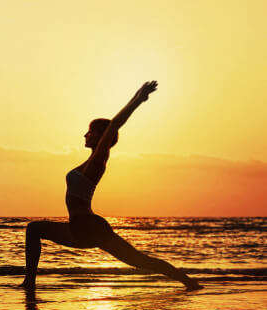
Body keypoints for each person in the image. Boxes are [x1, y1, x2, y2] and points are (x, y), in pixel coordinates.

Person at [21, 81, 202, 292]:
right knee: (34, 229)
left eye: (90, 132)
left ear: (101, 137)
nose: (85, 135)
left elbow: (114, 124)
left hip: (88, 227)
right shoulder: (88, 163)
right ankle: (189, 282)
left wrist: (138, 98)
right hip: (79, 227)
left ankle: (189, 282)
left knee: (140, 261)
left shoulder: (98, 161)